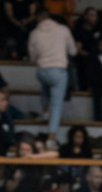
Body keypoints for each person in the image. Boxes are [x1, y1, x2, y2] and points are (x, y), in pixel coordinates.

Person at [28, 10, 76, 144]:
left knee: (46, 83)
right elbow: (73, 51)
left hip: (42, 71)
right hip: (58, 71)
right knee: (56, 105)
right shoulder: (63, 30)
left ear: (39, 19)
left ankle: (44, 110)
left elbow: (32, 57)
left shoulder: (34, 33)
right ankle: (51, 136)